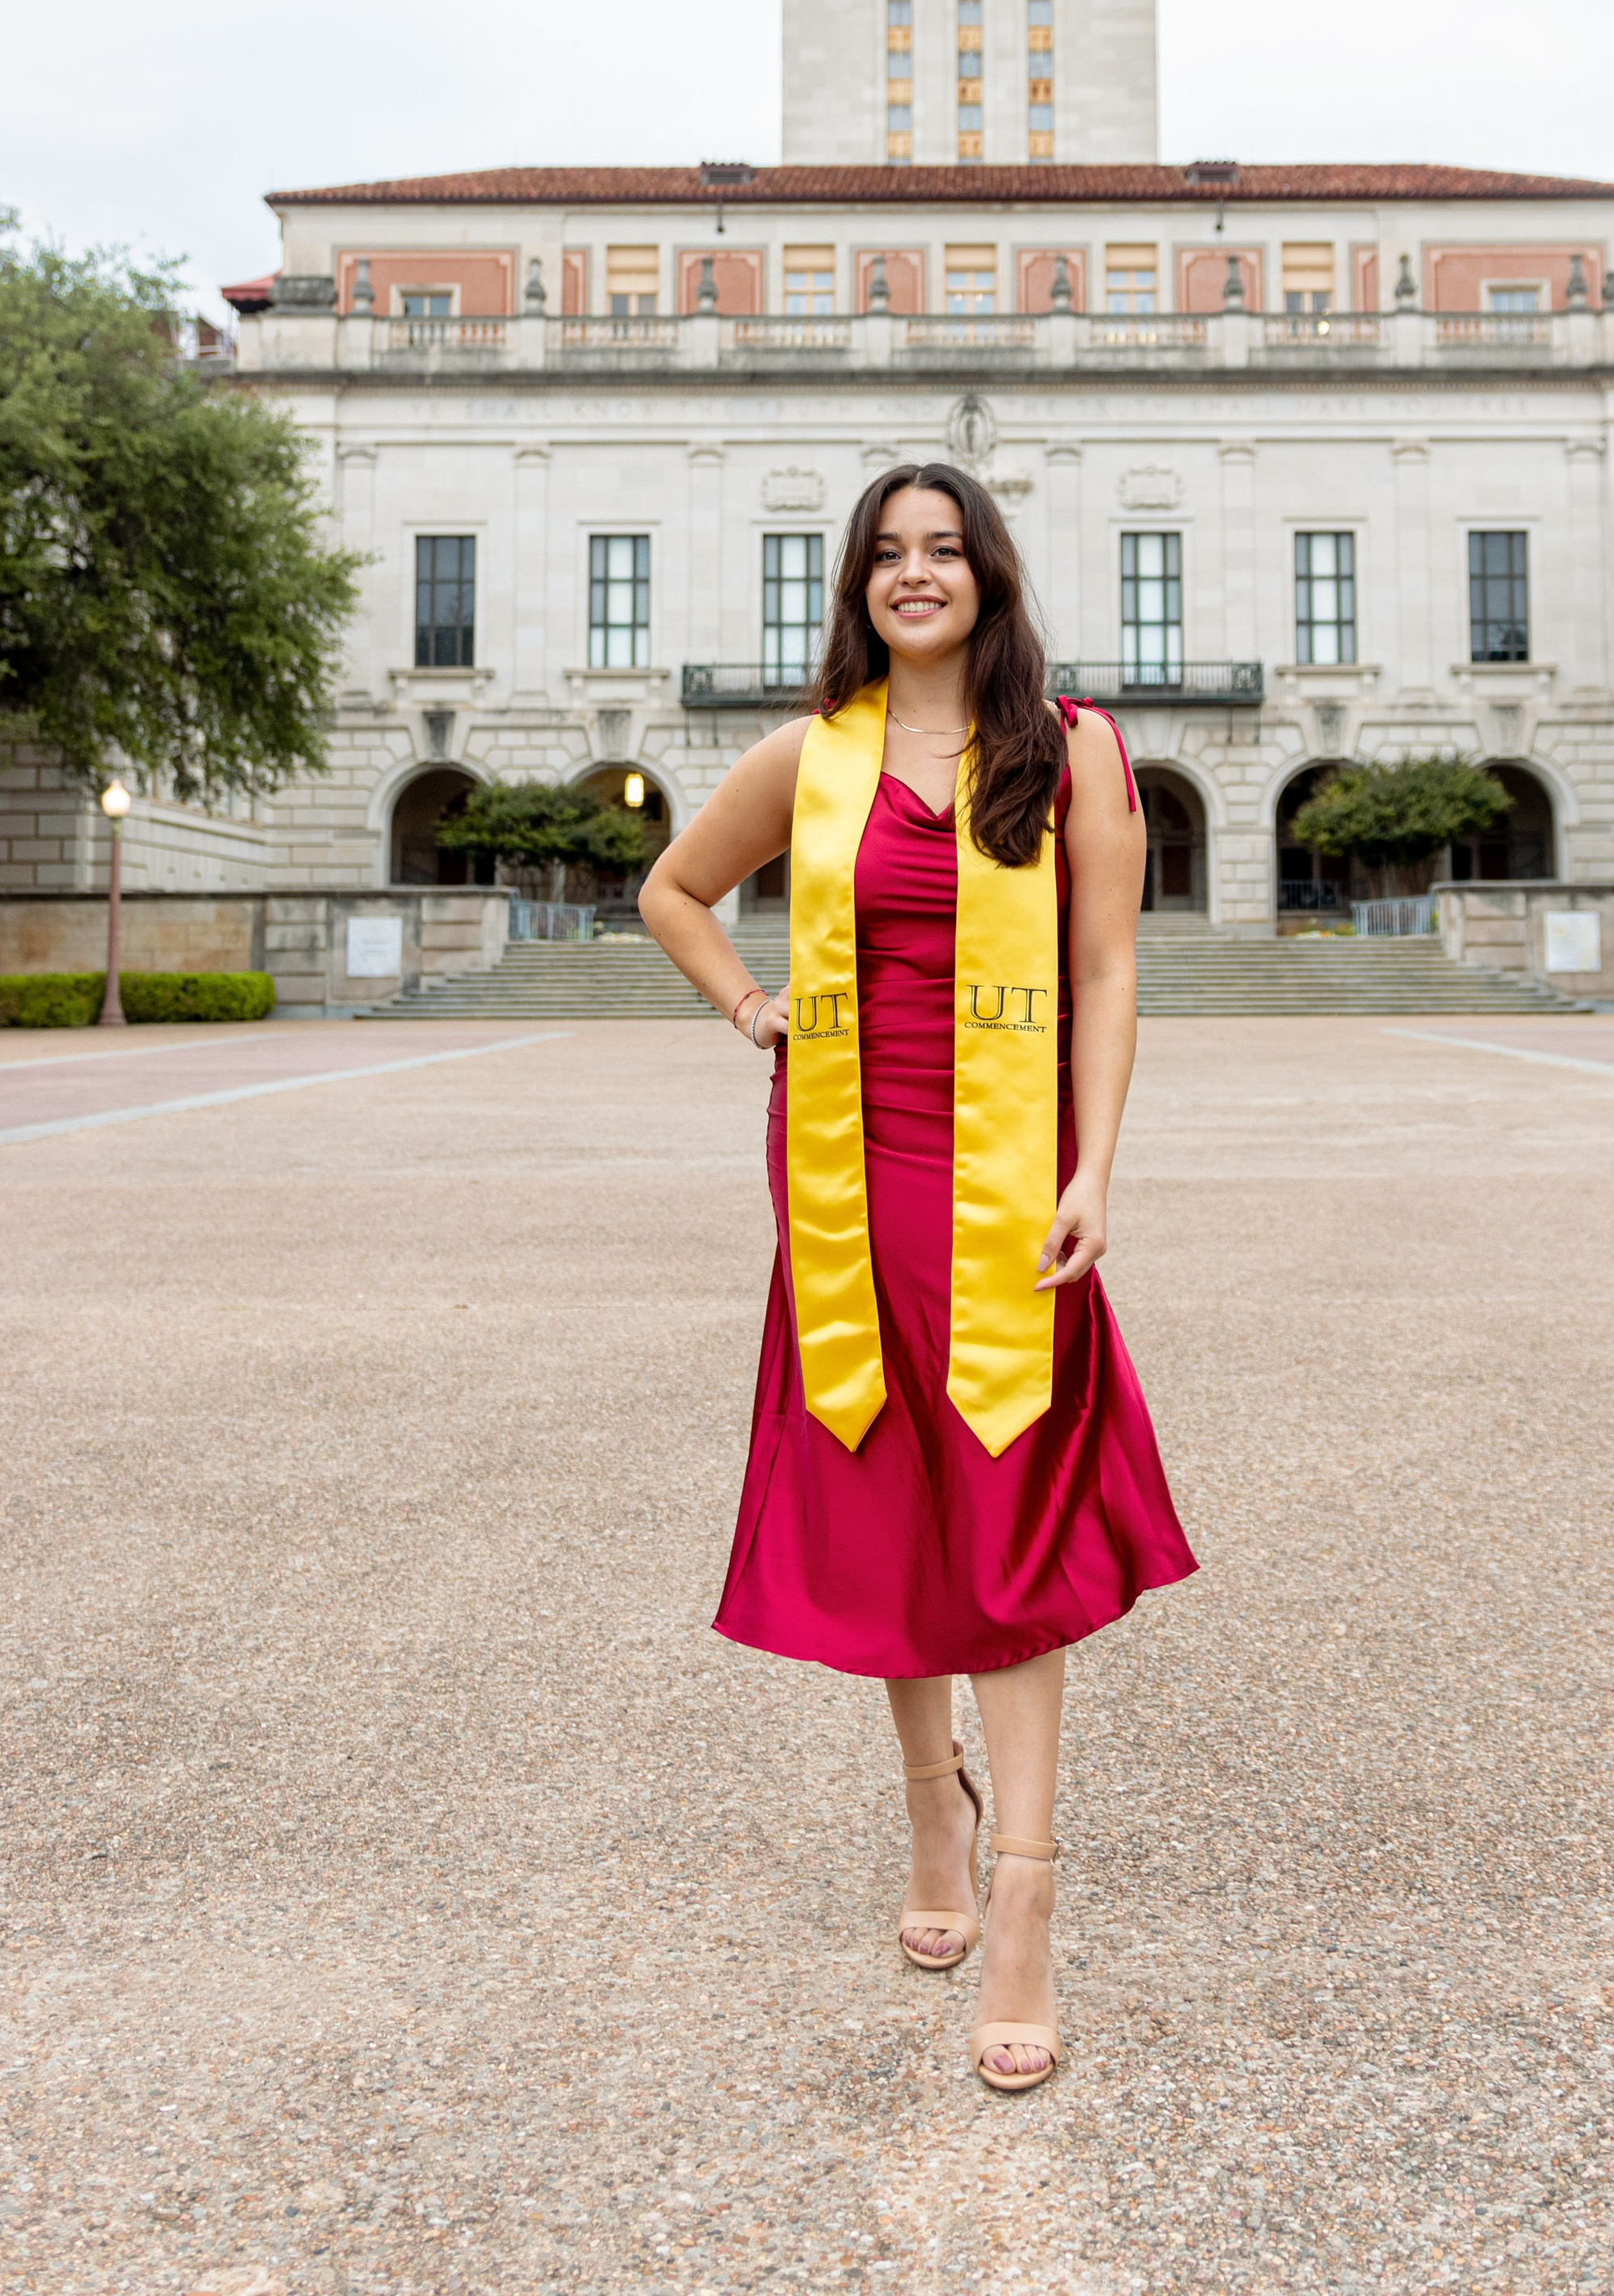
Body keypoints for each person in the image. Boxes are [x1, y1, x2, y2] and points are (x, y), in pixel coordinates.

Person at [640, 462, 1196, 2093]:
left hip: (1012, 1178)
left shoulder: (1072, 753)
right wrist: (753, 1010)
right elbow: (670, 889)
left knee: (1011, 1513)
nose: (913, 575)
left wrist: (1094, 1169)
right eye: (885, 555)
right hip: (850, 1178)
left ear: (989, 575)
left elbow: (1103, 966)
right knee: (894, 1505)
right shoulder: (816, 757)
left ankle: (1019, 1899)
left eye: (942, 550)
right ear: (856, 587)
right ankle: (928, 1823)